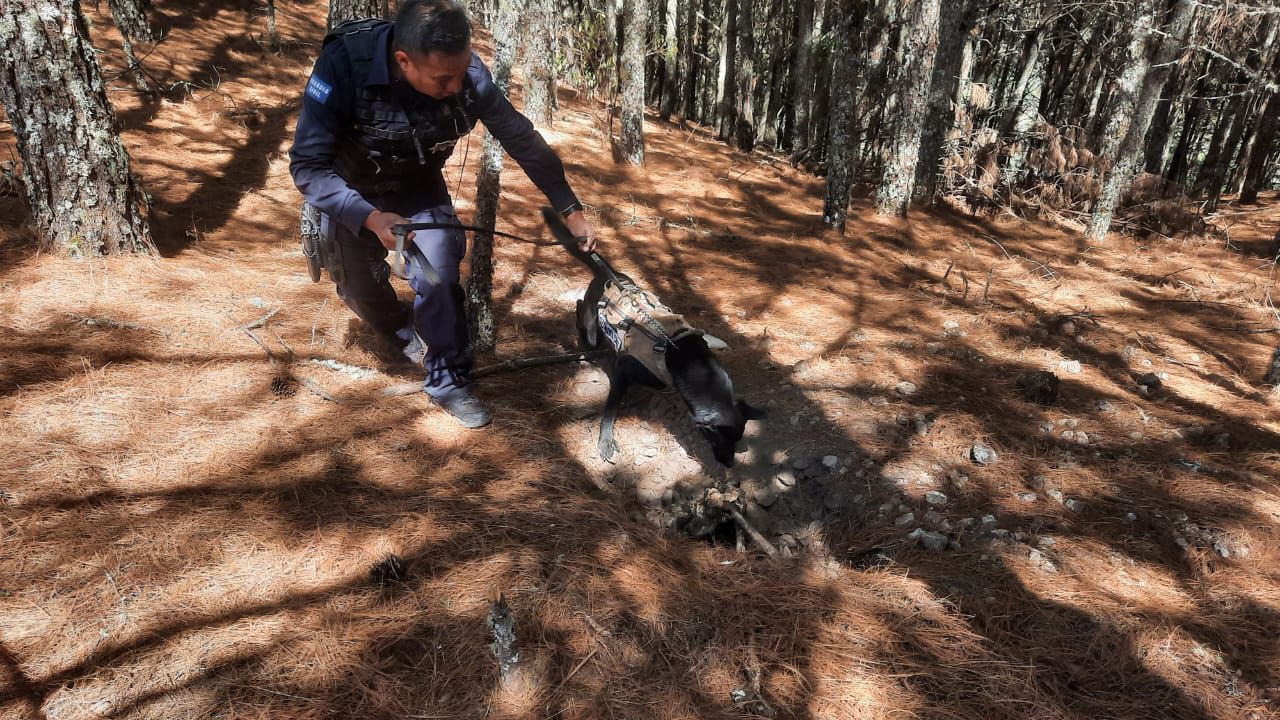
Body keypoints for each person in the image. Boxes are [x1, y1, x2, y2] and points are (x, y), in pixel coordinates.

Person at [290, 0, 596, 428]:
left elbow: (521, 139)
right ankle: (403, 329)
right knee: (359, 290)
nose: (456, 87)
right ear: (403, 61)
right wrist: (370, 218)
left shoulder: (468, 77)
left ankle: (448, 379)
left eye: (462, 70)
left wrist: (569, 207)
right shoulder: (345, 65)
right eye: (442, 79)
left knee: (439, 274)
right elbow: (307, 165)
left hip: (417, 185)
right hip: (348, 188)